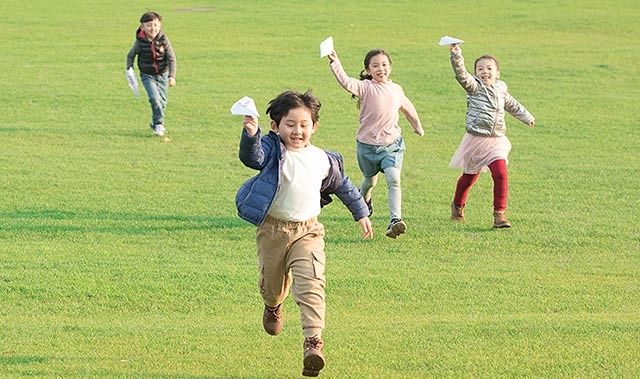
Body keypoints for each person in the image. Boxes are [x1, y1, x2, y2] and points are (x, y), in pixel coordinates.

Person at [235, 90, 373, 377]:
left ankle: (313, 343)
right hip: (273, 230)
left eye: (304, 124)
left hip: (308, 231)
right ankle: (273, 306)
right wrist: (250, 133)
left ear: (314, 126)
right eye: (290, 124)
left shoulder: (323, 159)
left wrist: (361, 212)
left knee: (311, 283)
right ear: (276, 126)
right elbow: (254, 157)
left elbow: (343, 186)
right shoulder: (274, 151)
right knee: (271, 284)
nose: (297, 131)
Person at [326, 48, 424, 238]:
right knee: (369, 181)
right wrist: (334, 61)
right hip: (367, 146)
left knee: (394, 179)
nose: (381, 68)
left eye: (384, 65)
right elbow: (346, 82)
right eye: (376, 66)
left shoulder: (396, 89)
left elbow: (407, 107)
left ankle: (395, 220)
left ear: (391, 67)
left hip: (392, 145)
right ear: (368, 70)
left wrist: (417, 126)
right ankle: (363, 204)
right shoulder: (366, 87)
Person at [447, 44, 535, 228]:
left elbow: (512, 105)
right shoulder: (474, 87)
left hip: (496, 140)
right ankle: (457, 205)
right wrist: (456, 55)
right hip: (475, 140)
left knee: (501, 173)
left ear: (497, 73)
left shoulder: (501, 89)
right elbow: (461, 74)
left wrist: (527, 117)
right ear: (476, 73)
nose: (484, 72)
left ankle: (499, 215)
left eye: (489, 68)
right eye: (480, 69)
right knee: (469, 178)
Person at [126, 11, 177, 137]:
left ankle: (155, 123)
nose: (152, 28)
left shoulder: (164, 40)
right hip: (147, 75)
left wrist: (172, 76)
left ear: (159, 26)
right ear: (142, 27)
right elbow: (130, 55)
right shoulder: (140, 42)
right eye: (149, 25)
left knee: (162, 102)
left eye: (155, 25)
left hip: (163, 74)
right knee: (155, 99)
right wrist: (129, 69)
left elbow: (171, 58)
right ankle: (159, 124)